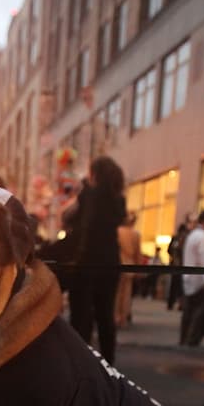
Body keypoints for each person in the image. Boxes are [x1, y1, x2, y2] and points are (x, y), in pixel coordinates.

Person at [67, 155, 126, 364]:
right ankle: (108, 362)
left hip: (88, 260)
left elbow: (79, 222)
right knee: (105, 314)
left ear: (95, 174)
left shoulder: (90, 194)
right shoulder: (118, 199)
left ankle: (81, 361)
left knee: (81, 315)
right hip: (111, 260)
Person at [179, 209, 204, 347]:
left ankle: (184, 338)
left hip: (189, 277)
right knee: (198, 311)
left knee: (188, 311)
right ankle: (192, 339)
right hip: (199, 279)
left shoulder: (193, 235)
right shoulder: (203, 237)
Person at [115, 211, 140, 327]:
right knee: (126, 294)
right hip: (130, 265)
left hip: (118, 264)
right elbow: (138, 254)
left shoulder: (117, 231)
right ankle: (123, 317)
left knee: (116, 293)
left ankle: (115, 316)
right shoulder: (135, 234)